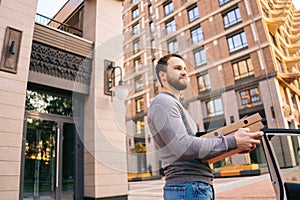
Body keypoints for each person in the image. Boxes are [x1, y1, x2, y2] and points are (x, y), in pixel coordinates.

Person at [147, 54, 264, 200]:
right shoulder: (164, 102)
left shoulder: (172, 104)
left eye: (185, 68)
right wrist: (232, 141)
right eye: (177, 68)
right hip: (189, 188)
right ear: (162, 76)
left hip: (193, 187)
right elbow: (183, 146)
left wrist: (234, 147)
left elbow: (195, 152)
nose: (184, 72)